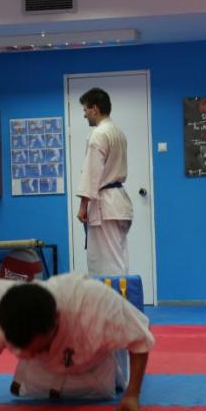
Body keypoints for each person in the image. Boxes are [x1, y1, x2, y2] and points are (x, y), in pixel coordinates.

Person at [0, 273, 154, 411]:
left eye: (41, 348)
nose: (32, 354)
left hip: (94, 363)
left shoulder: (94, 303)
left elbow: (140, 339)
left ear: (57, 318)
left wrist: (132, 395)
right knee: (35, 385)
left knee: (106, 388)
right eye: (25, 351)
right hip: (40, 372)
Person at [76, 88, 133, 276]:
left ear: (94, 109)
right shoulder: (118, 132)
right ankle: (121, 293)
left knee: (105, 263)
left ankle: (113, 295)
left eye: (85, 109)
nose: (84, 115)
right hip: (118, 203)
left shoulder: (99, 134)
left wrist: (83, 205)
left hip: (105, 207)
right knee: (118, 258)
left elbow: (92, 172)